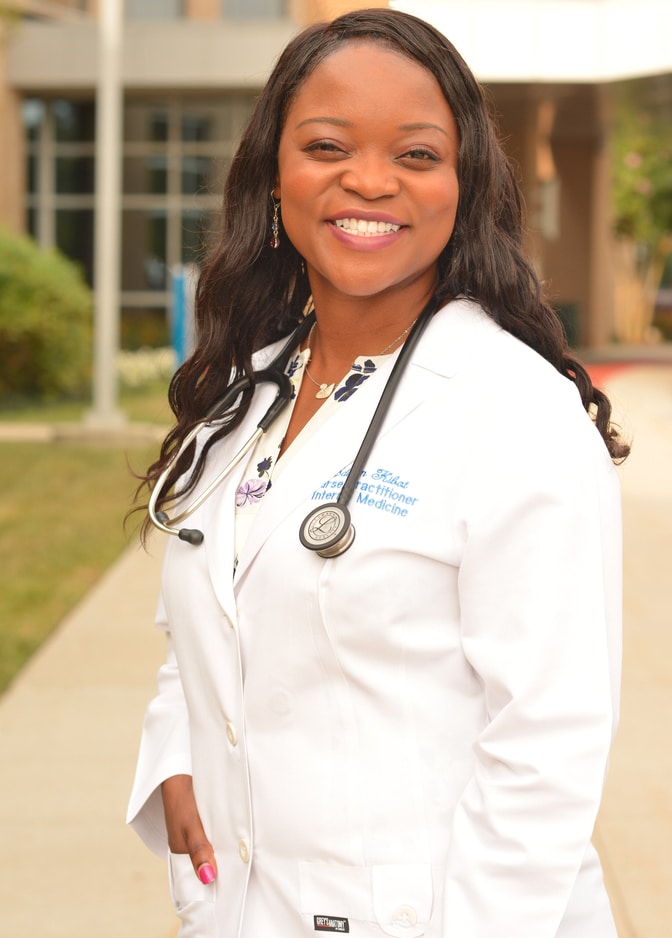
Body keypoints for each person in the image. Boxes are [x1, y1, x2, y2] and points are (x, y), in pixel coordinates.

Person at [127, 8, 629, 937]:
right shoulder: (253, 387)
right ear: (274, 176)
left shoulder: (512, 410)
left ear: (463, 184)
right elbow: (211, 614)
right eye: (327, 145)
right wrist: (174, 753)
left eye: (416, 154)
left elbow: (546, 743)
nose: (369, 180)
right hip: (252, 907)